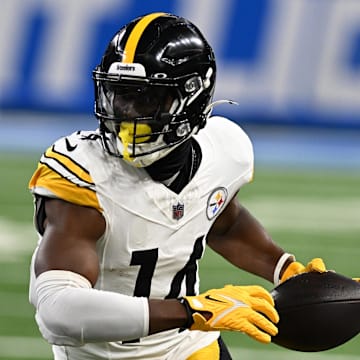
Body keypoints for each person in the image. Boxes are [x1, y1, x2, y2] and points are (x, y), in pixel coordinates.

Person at [28, 12, 327, 360]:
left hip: (188, 348)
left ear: (192, 99)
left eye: (146, 99)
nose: (127, 114)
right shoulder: (84, 175)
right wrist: (194, 311)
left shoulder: (224, 151)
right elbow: (57, 312)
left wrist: (284, 268)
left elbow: (222, 221)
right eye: (119, 95)